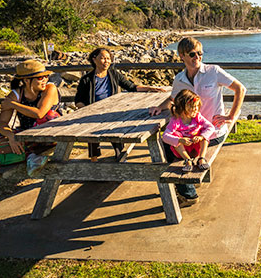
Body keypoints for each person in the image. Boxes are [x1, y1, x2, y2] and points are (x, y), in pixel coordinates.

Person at [149, 37, 246, 206]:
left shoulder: (213, 71)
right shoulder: (179, 79)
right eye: (192, 54)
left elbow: (240, 89)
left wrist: (231, 117)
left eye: (200, 53)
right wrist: (159, 107)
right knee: (168, 143)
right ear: (182, 56)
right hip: (190, 132)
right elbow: (173, 99)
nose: (197, 57)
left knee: (171, 148)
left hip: (212, 133)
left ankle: (187, 195)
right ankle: (186, 184)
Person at [74, 47, 165, 162]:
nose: (106, 61)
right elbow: (78, 100)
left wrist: (150, 88)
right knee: (92, 132)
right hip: (93, 112)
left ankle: (120, 156)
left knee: (115, 128)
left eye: (108, 58)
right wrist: (87, 110)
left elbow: (131, 87)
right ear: (94, 59)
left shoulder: (113, 74)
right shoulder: (86, 79)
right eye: (102, 58)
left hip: (111, 110)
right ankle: (94, 158)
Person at [0, 59, 61, 175]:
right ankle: (32, 154)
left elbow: (39, 113)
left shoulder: (50, 89)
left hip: (50, 133)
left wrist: (12, 104)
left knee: (48, 116)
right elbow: (2, 123)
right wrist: (11, 136)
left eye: (46, 76)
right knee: (0, 134)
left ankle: (30, 153)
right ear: (26, 80)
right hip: (28, 133)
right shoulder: (16, 95)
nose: (45, 79)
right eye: (40, 77)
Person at [161, 89, 216, 172]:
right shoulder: (176, 121)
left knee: (204, 133)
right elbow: (165, 136)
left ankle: (201, 158)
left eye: (197, 107)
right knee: (175, 134)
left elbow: (210, 127)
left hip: (196, 148)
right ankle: (188, 160)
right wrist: (179, 140)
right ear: (182, 108)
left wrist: (201, 137)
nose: (196, 109)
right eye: (193, 107)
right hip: (182, 151)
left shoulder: (197, 117)